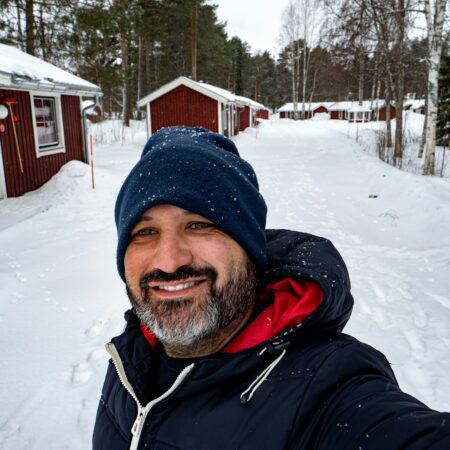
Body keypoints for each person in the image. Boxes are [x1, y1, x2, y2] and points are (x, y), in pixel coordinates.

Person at [93, 126, 449, 450]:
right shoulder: (129, 361)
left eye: (199, 224)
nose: (169, 261)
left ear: (249, 248)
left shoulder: (326, 389)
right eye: (144, 232)